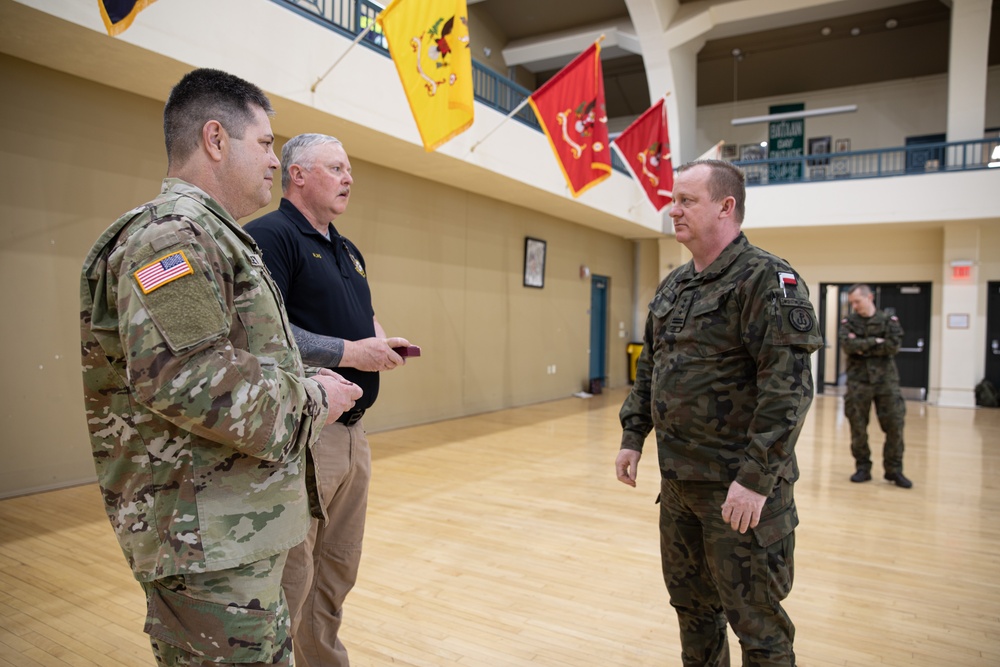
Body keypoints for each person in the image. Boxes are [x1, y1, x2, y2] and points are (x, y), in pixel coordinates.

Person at [80, 69, 362, 667]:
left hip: (233, 533)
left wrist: (304, 385)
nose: (273, 161)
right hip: (205, 544)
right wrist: (313, 399)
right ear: (215, 138)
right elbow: (190, 378)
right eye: (264, 143)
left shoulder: (215, 238)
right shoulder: (167, 241)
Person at [615, 160, 822, 666]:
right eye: (673, 199)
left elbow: (788, 390)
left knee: (758, 625)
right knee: (693, 611)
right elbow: (652, 370)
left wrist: (754, 479)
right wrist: (632, 434)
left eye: (687, 200)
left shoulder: (767, 279)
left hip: (740, 494)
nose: (673, 209)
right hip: (681, 487)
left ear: (726, 207)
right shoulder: (674, 286)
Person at [245, 133, 410, 667]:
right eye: (336, 168)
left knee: (337, 570)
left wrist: (380, 342)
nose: (348, 178)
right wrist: (349, 351)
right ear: (298, 173)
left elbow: (363, 314)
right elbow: (261, 330)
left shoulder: (346, 247)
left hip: (353, 434)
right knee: (294, 575)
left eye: (348, 169)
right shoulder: (270, 236)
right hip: (306, 435)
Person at [838, 284, 912, 488]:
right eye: (852, 302)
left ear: (869, 297)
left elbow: (893, 346)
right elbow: (848, 346)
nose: (854, 306)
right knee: (858, 427)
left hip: (886, 382)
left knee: (895, 426)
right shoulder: (849, 322)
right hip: (858, 382)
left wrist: (862, 345)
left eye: (857, 301)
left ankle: (894, 470)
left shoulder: (889, 321)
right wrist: (876, 341)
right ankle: (863, 468)